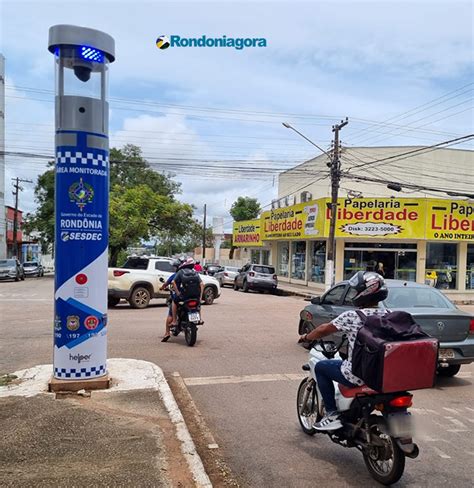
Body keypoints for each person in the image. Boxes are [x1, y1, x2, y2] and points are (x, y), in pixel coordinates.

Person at [298, 271, 389, 431]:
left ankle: (332, 414)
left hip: (358, 375)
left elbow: (323, 329)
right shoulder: (390, 315)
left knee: (321, 367)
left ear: (364, 293)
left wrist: (306, 337)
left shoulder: (353, 316)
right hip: (383, 374)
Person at [171, 257, 204, 326]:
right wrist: (200, 296)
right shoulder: (194, 272)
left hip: (185, 296)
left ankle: (174, 321)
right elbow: (202, 284)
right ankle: (200, 319)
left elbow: (173, 282)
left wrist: (178, 293)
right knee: (198, 304)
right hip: (196, 295)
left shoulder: (180, 272)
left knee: (174, 302)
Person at [159, 258, 182, 342]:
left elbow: (166, 283)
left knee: (170, 314)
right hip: (189, 297)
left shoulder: (175, 275)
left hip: (178, 298)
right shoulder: (190, 274)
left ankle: (167, 332)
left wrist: (162, 287)